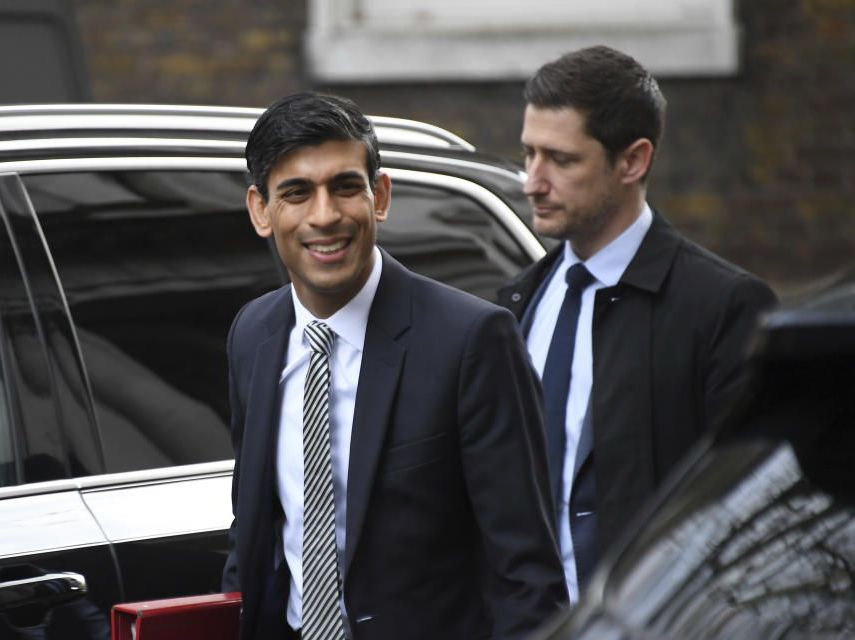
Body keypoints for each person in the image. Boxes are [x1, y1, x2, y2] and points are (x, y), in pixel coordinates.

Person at [221, 91, 567, 640]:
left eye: (344, 186)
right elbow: (254, 530)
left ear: (379, 195)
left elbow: (526, 575)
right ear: (261, 211)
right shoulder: (252, 336)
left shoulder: (471, 340)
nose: (325, 216)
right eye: (296, 193)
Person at [497, 45, 778, 604]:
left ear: (633, 161)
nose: (532, 181)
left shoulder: (723, 306)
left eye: (560, 159)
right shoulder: (518, 300)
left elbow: (755, 514)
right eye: (528, 154)